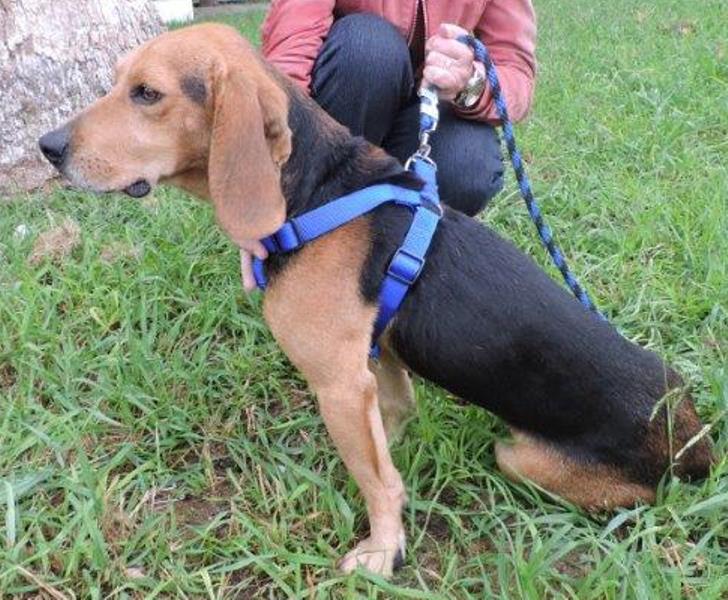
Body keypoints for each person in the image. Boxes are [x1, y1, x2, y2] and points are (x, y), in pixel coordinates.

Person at [239, 0, 537, 290]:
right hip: (351, 99)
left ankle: (399, 252)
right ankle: (313, 233)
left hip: (429, 111)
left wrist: (470, 82)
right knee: (369, 47)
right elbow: (293, 41)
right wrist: (263, 177)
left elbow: (514, 66)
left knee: (468, 163)